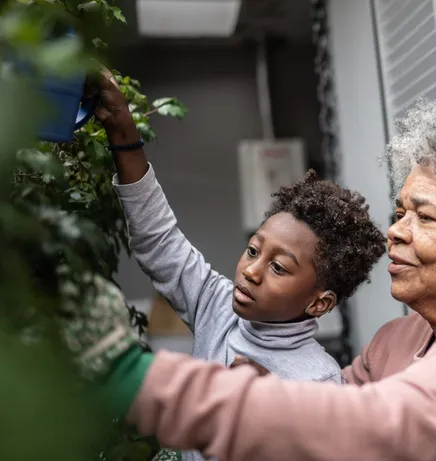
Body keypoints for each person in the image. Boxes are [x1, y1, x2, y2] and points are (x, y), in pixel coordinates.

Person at [64, 92, 436, 461]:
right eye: (400, 212)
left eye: (424, 218)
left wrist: (132, 378)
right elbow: (328, 406)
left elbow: (367, 430)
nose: (395, 234)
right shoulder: (396, 341)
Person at [92, 68, 386, 461]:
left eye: (278, 268)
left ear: (319, 303)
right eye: (252, 250)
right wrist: (123, 134)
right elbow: (160, 243)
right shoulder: (220, 309)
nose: (250, 271)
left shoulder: (318, 382)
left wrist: (270, 417)